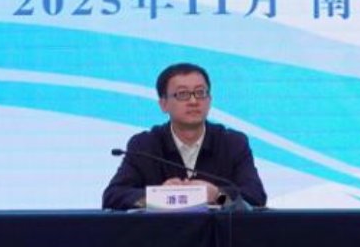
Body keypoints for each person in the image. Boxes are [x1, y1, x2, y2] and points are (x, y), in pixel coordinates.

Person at [102, 62, 267, 209]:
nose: (194, 101)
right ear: (163, 104)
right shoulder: (145, 145)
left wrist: (217, 196)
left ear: (209, 100)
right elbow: (112, 197)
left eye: (200, 93)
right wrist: (158, 197)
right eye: (182, 94)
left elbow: (256, 197)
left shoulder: (232, 143)